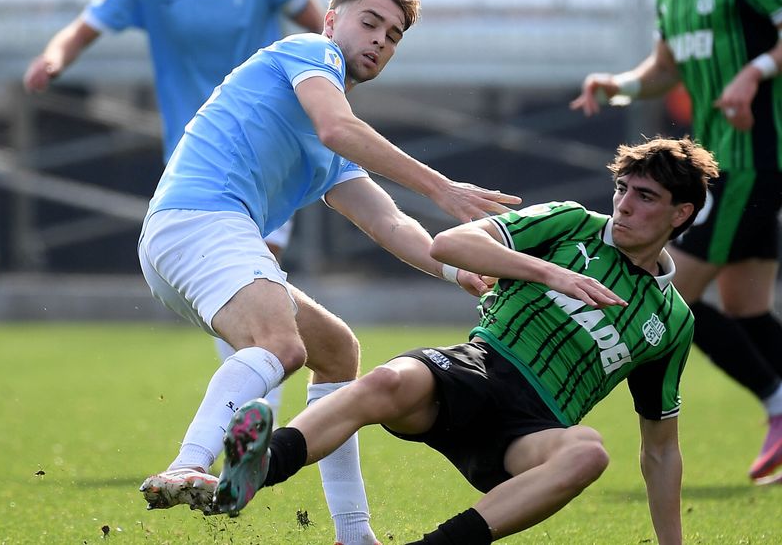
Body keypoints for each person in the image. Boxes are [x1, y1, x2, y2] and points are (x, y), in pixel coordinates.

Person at [136, 0, 520, 545]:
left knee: (337, 351)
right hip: (198, 221)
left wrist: (456, 267)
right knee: (280, 345)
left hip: (194, 240)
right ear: (332, 19)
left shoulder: (332, 150)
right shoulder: (309, 52)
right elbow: (339, 127)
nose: (379, 41)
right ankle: (190, 464)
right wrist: (443, 188)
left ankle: (354, 536)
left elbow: (387, 221)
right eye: (370, 23)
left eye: (392, 37)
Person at [218, 136, 719, 545]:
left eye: (645, 197)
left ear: (680, 214)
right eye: (622, 188)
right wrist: (550, 273)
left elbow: (660, 451)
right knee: (387, 380)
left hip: (528, 430)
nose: (625, 205)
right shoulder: (571, 225)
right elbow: (451, 244)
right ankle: (258, 469)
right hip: (474, 366)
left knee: (589, 452)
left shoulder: (672, 322)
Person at [23, 0, 324, 417]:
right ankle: (256, 415)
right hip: (199, 155)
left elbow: (324, 27)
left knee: (254, 270)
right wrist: (54, 57)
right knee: (239, 283)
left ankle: (256, 416)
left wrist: (334, 84)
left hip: (273, 143)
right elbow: (85, 27)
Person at [571, 0, 782, 482]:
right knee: (745, 305)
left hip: (753, 159)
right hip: (723, 164)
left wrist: (755, 72)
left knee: (672, 296)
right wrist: (619, 84)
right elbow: (664, 68)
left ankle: (777, 404)